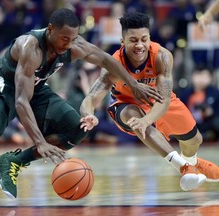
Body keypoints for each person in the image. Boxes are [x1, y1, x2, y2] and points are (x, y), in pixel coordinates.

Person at [0, 8, 163, 208]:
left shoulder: (74, 44)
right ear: (50, 29)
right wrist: (40, 142)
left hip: (36, 87)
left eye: (73, 39)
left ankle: (13, 161)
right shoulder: (30, 47)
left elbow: (106, 60)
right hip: (6, 87)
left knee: (77, 128)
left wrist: (133, 84)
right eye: (64, 38)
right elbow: (21, 101)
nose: (68, 45)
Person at [80, 12, 219, 192]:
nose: (140, 45)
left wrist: (147, 119)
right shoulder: (114, 65)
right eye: (133, 40)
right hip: (125, 103)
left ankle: (192, 162)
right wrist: (88, 114)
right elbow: (90, 98)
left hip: (158, 99)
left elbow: (165, 100)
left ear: (149, 38)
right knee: (135, 118)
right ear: (123, 41)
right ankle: (184, 168)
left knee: (194, 140)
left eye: (144, 39)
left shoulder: (162, 56)